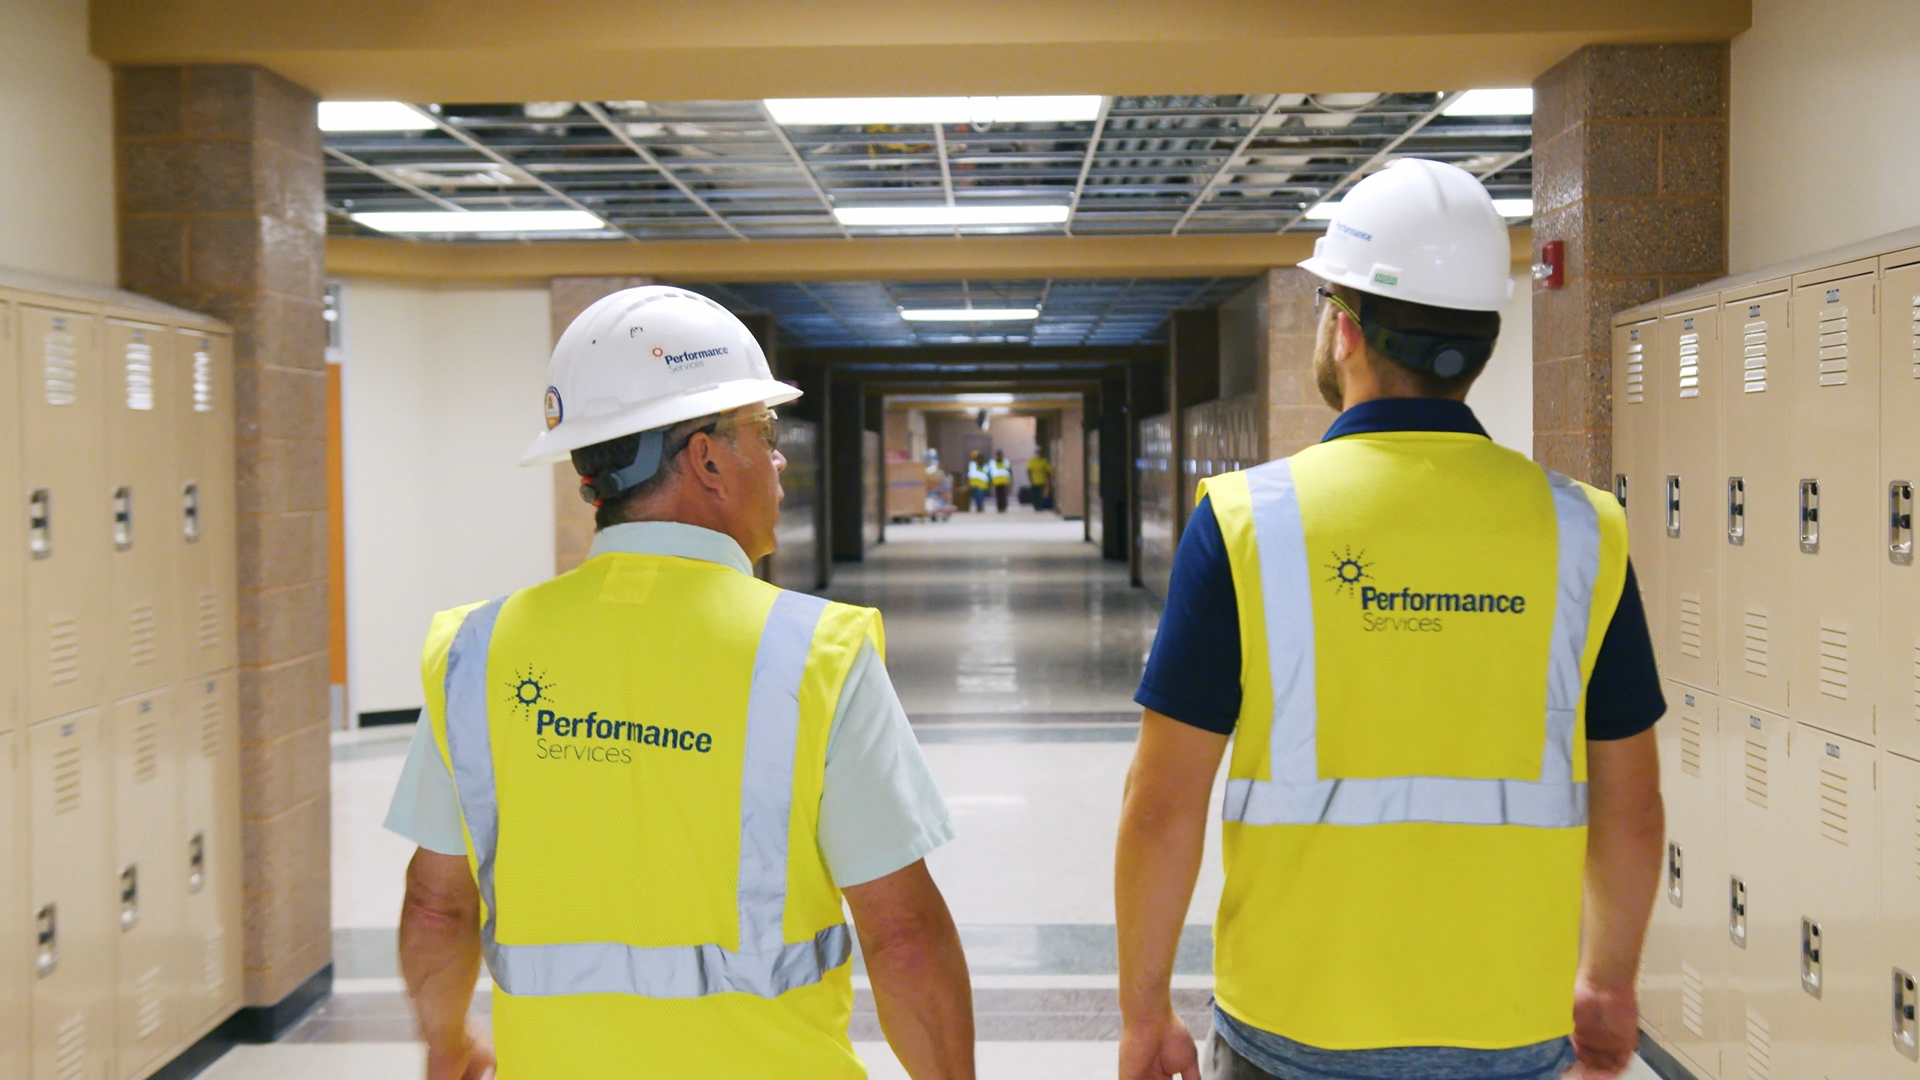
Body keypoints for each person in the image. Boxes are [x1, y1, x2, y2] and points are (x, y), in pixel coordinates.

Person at [1113, 160, 1666, 1080]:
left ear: (1342, 328)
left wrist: (1143, 1010)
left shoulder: (1249, 521)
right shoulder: (1583, 530)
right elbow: (1631, 803)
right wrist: (1607, 985)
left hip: (1292, 1024)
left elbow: (1162, 803)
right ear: (1482, 341)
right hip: (1510, 1025)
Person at [383, 286, 975, 1080]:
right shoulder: (813, 653)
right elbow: (901, 936)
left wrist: (448, 1043)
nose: (778, 459)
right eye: (764, 434)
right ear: (705, 459)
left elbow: (436, 904)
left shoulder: (479, 654)